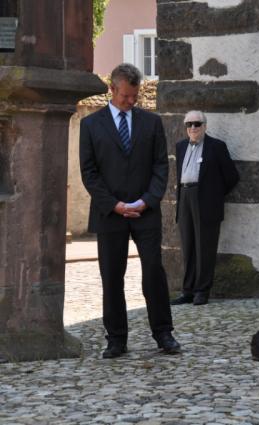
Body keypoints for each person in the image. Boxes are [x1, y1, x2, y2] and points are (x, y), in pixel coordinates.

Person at [79, 63, 180, 359]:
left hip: (145, 212)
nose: (131, 101)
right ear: (112, 90)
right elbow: (89, 172)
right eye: (125, 96)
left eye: (135, 96)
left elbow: (161, 166)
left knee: (154, 272)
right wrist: (114, 204)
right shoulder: (91, 125)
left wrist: (147, 200)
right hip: (109, 214)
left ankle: (163, 333)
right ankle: (116, 339)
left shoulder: (151, 123)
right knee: (112, 277)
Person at [170, 111, 239, 306]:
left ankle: (202, 290)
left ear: (205, 126)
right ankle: (188, 291)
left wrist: (213, 195)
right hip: (185, 196)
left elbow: (232, 177)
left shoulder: (216, 146)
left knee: (205, 248)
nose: (193, 128)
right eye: (189, 124)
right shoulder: (181, 146)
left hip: (206, 201)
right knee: (188, 246)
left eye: (197, 124)